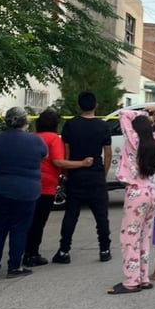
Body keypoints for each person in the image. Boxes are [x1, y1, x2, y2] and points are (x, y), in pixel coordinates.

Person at [108, 105, 155, 294]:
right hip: (151, 193)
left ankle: (132, 281)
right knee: (144, 237)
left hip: (135, 194)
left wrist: (142, 113)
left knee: (129, 238)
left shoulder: (133, 140)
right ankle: (144, 278)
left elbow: (123, 114)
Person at [24, 108, 93, 267]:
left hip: (31, 182)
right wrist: (81, 163)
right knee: (39, 221)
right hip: (47, 184)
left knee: (29, 220)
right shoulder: (54, 139)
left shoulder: (32, 137)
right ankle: (32, 253)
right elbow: (58, 161)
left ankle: (24, 251)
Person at [0, 107, 47, 280]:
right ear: (25, 121)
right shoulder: (35, 141)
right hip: (27, 190)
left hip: (1, 188)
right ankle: (14, 266)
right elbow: (44, 155)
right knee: (19, 229)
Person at [54, 92, 112, 264]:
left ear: (79, 106)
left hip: (76, 174)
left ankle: (64, 250)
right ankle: (104, 249)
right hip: (96, 175)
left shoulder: (71, 125)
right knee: (101, 215)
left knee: (71, 214)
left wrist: (67, 171)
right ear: (96, 105)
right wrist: (103, 173)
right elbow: (107, 153)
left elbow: (67, 151)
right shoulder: (103, 126)